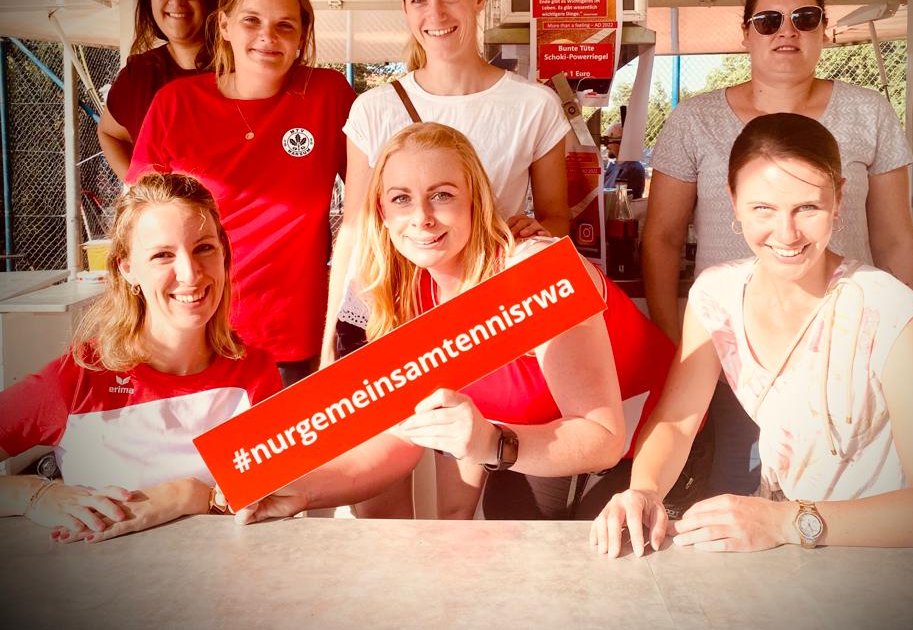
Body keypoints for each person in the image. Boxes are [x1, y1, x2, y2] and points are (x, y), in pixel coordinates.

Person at [238, 123, 711, 523]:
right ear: (382, 212)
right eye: (401, 199)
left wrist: (489, 443)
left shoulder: (535, 271)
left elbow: (601, 438)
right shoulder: (401, 293)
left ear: (475, 201)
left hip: (654, 450)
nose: (422, 218)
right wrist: (302, 490)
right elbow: (398, 440)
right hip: (543, 442)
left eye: (442, 195)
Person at [590, 113, 913, 557]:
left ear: (838, 199)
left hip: (886, 557)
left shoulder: (890, 312)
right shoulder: (717, 295)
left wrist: (784, 521)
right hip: (789, 555)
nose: (787, 234)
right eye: (763, 209)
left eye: (807, 208)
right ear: (732, 201)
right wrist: (643, 490)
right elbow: (677, 420)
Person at [643, 0, 913, 496]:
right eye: (769, 21)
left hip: (847, 341)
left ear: (824, 31)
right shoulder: (695, 119)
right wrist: (676, 344)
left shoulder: (869, 112)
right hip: (736, 348)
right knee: (736, 489)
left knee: (856, 493)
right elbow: (661, 237)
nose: (787, 31)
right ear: (746, 34)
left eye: (804, 18)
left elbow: (895, 239)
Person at [320, 0, 570, 372]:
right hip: (393, 322)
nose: (435, 14)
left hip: (489, 321)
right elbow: (356, 233)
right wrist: (329, 348)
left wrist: (532, 233)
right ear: (404, 6)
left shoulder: (534, 105)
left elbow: (556, 219)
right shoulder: (373, 109)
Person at [0, 172, 281, 543]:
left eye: (204, 248)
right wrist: (34, 495)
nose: (190, 274)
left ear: (224, 254)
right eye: (163, 255)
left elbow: (273, 500)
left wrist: (188, 495)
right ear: (127, 269)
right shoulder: (80, 377)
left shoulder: (256, 373)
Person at [128, 0, 356, 386]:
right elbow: (137, 223)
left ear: (302, 35)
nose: (268, 36)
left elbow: (377, 203)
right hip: (194, 336)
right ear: (225, 25)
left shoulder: (327, 96)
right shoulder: (176, 104)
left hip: (294, 343)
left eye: (285, 25)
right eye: (252, 20)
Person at [98, 0, 225, 179]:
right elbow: (109, 133)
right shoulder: (138, 74)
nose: (176, 1)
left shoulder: (242, 68)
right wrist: (140, 188)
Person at [603, 120, 646, 200]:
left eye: (610, 138)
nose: (606, 144)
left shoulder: (633, 169)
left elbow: (620, 202)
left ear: (622, 141)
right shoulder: (613, 166)